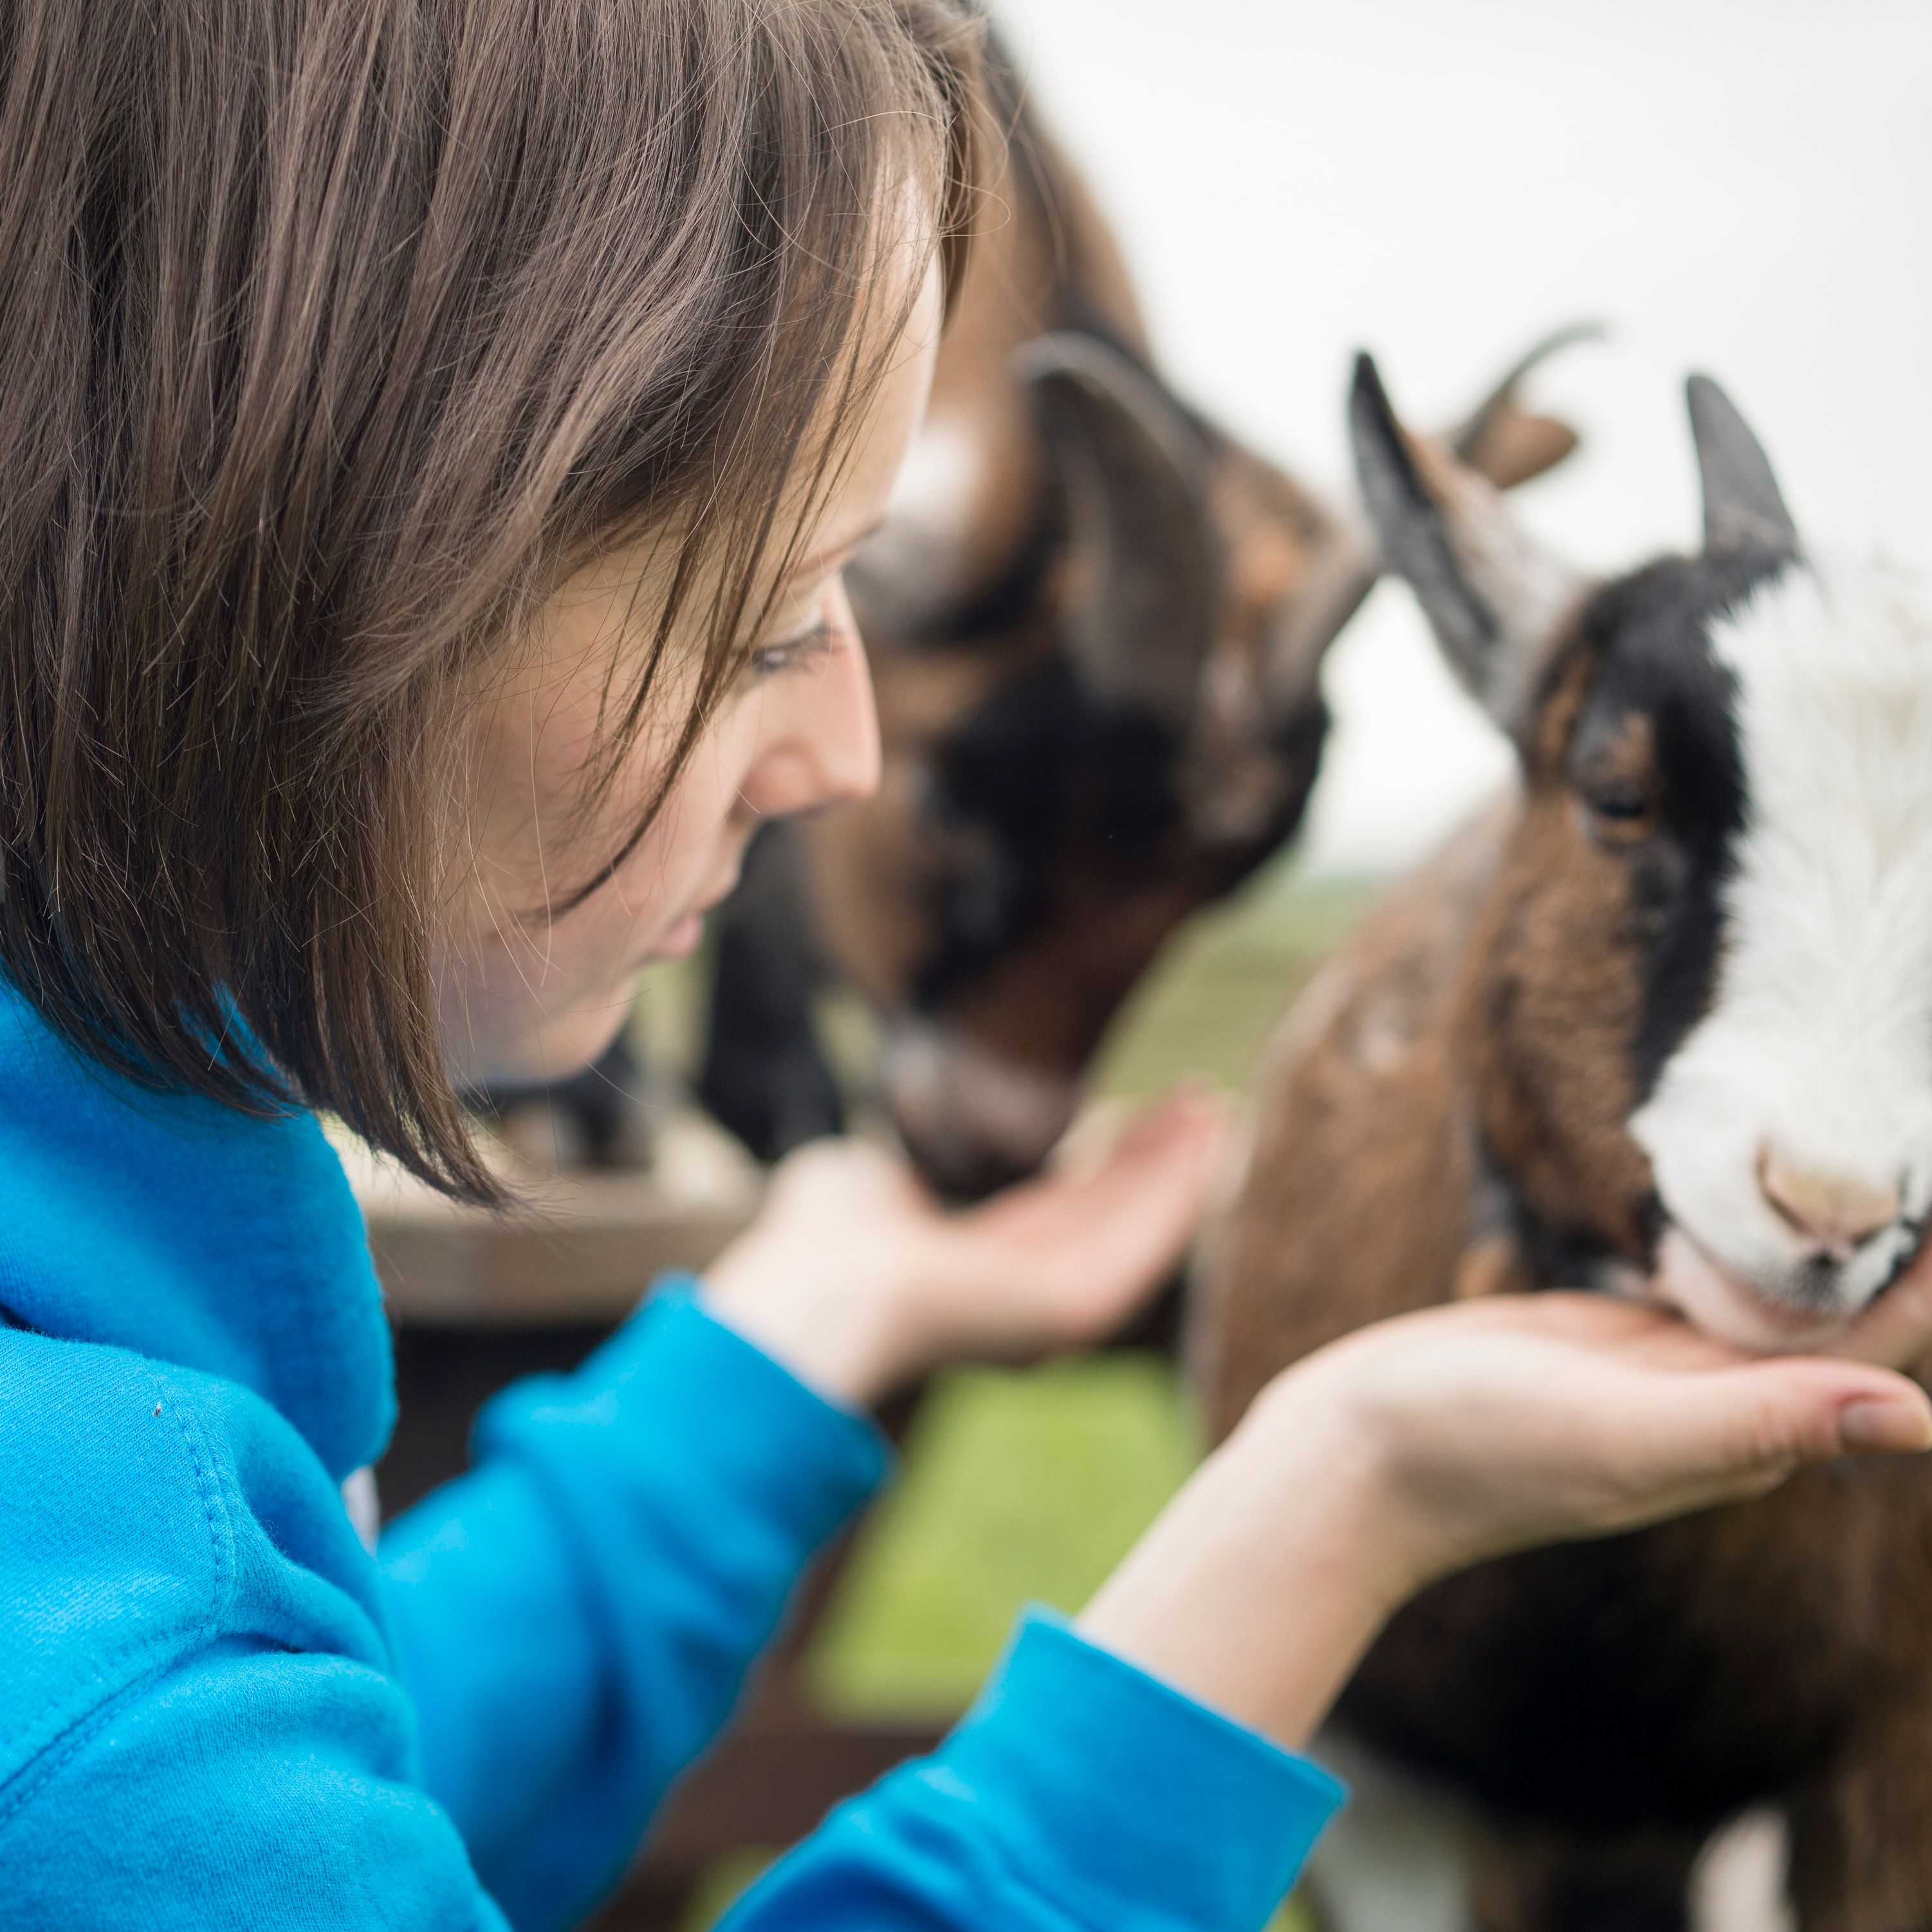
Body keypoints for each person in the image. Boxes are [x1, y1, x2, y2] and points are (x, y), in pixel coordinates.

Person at [1, 3, 1928, 1927]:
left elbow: (326, 1764)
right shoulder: (88, 1711)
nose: (844, 756)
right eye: (764, 619)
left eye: (864, 592)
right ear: (350, 553)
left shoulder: (101, 1475)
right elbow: (169, 1773)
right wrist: (1339, 1494)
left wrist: (786, 1341)